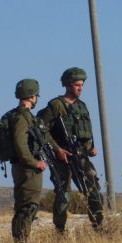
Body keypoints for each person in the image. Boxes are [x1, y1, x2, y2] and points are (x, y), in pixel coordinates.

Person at [37, 67, 104, 232]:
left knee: (93, 190)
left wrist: (91, 147)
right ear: (67, 85)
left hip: (81, 156)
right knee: (63, 195)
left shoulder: (82, 106)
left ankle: (99, 226)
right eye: (76, 85)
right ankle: (60, 231)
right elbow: (41, 129)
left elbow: (87, 129)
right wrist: (57, 149)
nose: (80, 88)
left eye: (82, 85)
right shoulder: (56, 105)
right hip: (62, 158)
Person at [10, 78, 50, 243]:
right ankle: (22, 241)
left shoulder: (21, 115)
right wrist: (34, 163)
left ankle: (21, 240)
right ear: (32, 96)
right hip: (27, 168)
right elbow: (20, 144)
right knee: (28, 206)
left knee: (25, 204)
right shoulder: (22, 117)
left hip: (25, 166)